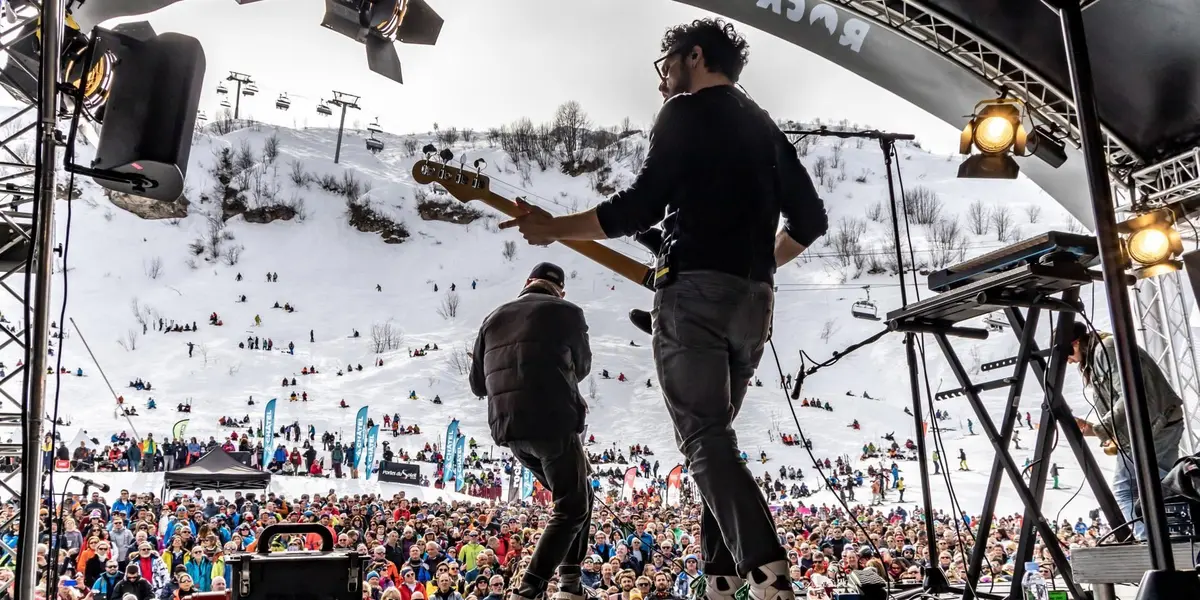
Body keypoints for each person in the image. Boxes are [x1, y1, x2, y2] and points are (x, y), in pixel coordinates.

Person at [497, 19, 826, 600]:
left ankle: (766, 572)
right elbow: (811, 221)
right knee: (716, 441)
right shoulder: (765, 126)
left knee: (703, 439)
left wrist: (552, 229)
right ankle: (721, 577)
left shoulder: (684, 112)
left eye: (666, 64)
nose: (661, 81)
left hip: (695, 297)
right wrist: (756, 266)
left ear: (694, 56)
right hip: (754, 305)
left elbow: (639, 205)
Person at [469, 262, 593, 600]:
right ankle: (530, 590)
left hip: (510, 428)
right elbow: (582, 367)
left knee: (580, 493)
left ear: (528, 282)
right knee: (572, 506)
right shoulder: (568, 312)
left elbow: (478, 384)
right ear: (561, 291)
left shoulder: (492, 318)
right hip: (553, 422)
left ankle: (570, 581)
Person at [1067, 322, 1184, 540]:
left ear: (1075, 343)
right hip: (1159, 424)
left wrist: (1101, 428)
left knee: (1125, 489)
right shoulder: (1103, 351)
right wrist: (1094, 430)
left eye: (1067, 353)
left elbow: (1131, 395)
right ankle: (1170, 537)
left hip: (1154, 428)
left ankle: (1150, 541)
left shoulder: (1106, 349)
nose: (1068, 361)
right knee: (1165, 485)